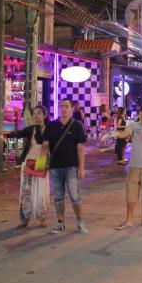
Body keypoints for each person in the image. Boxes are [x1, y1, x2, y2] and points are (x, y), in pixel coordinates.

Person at [41, 98, 88, 234]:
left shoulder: (77, 125)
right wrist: (40, 165)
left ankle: (80, 221)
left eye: (66, 106)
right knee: (58, 196)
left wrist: (81, 167)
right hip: (55, 167)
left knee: (74, 196)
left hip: (71, 167)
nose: (63, 109)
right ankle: (60, 223)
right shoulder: (52, 125)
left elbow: (80, 147)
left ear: (72, 108)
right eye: (61, 106)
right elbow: (45, 146)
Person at [7, 106, 50, 229]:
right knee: (26, 192)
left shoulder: (50, 130)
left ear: (45, 115)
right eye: (34, 114)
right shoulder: (31, 129)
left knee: (41, 191)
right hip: (29, 162)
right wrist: (8, 132)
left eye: (39, 113)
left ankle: (42, 218)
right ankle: (25, 219)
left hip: (41, 162)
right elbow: (18, 134)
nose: (36, 116)